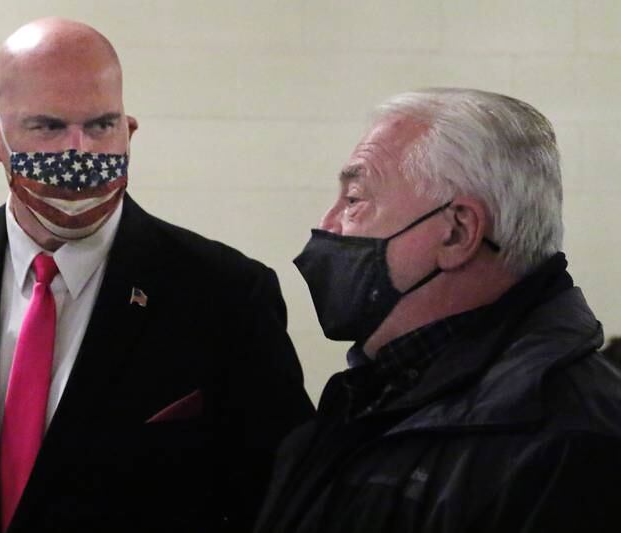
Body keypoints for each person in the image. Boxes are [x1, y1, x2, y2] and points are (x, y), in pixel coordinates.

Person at [0, 17, 313, 533]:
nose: (80, 153)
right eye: (47, 127)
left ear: (128, 130)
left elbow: (277, 498)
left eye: (100, 125)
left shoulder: (225, 294)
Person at [255, 88, 621, 533]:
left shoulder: (567, 444)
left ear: (457, 232)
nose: (327, 225)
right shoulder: (369, 398)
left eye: (354, 200)